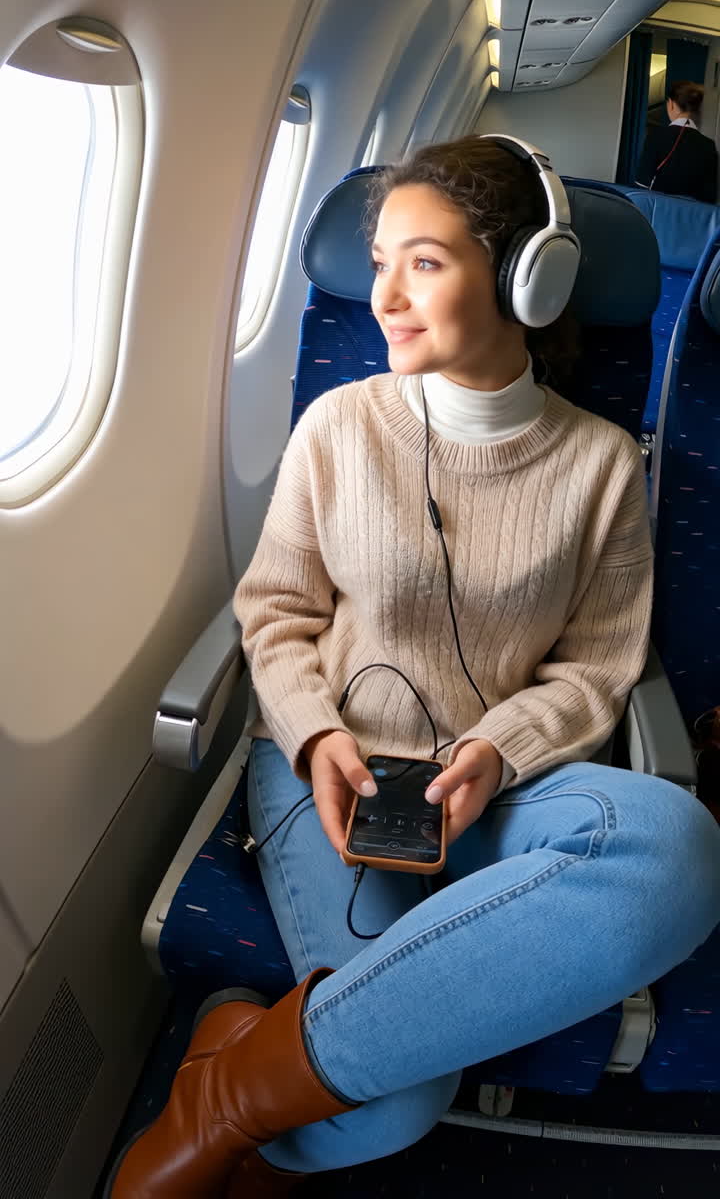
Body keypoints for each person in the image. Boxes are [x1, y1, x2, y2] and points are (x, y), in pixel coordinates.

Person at [108, 137, 720, 1197]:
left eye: (423, 262)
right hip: (331, 771)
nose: (383, 293)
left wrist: (498, 747)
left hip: (501, 782)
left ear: (529, 275)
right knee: (392, 1103)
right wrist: (317, 735)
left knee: (678, 845)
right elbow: (277, 612)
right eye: (379, 259)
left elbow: (594, 669)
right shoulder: (339, 425)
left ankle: (228, 1085)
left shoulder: (603, 464)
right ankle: (250, 1057)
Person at [635, 79, 718, 203]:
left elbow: (642, 184)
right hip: (692, 217)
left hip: (659, 211)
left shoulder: (656, 136)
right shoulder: (709, 145)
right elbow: (710, 195)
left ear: (671, 104)